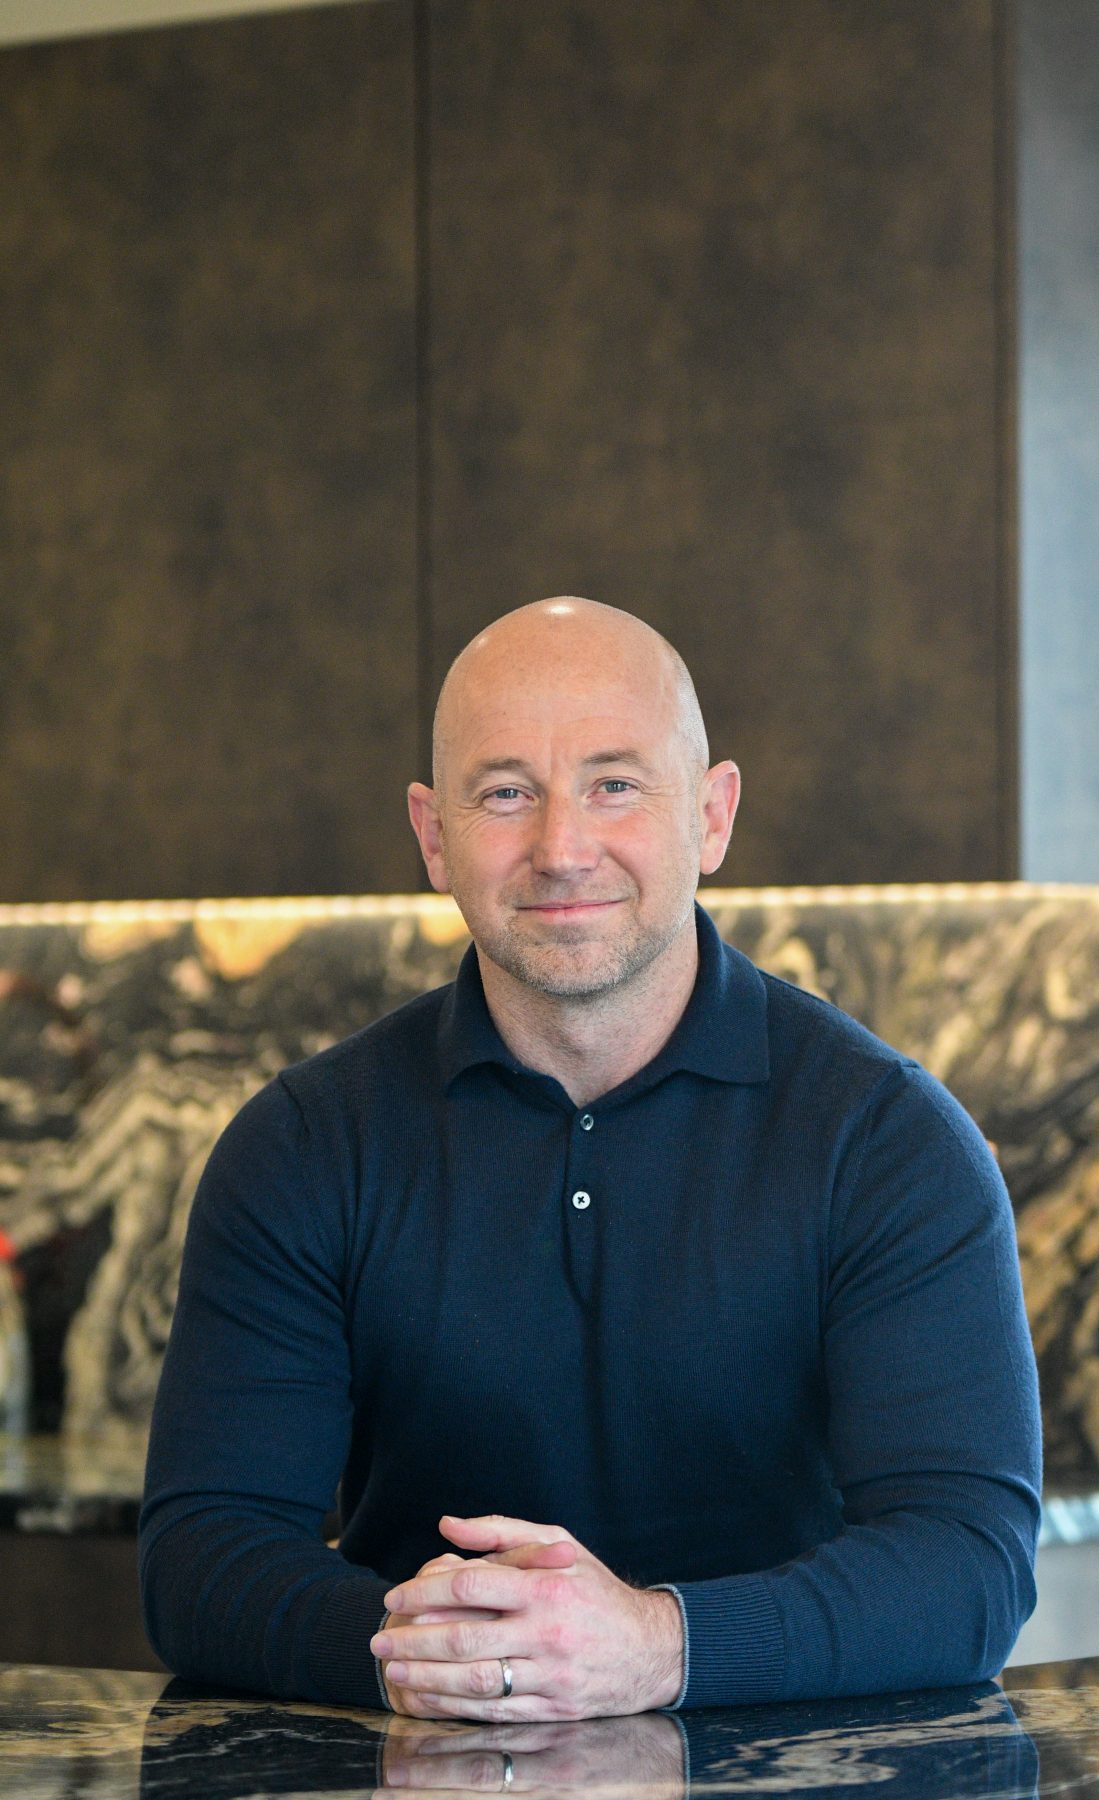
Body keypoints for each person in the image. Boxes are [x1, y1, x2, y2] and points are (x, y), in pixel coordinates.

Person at [139, 597, 1041, 1721]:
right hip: (420, 1769)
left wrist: (658, 1647)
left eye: (615, 783)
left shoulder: (889, 1140)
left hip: (799, 1777)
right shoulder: (305, 1144)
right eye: (505, 793)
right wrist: (454, 1658)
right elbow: (200, 1556)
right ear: (433, 836)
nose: (562, 849)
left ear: (711, 816)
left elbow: (969, 1564)